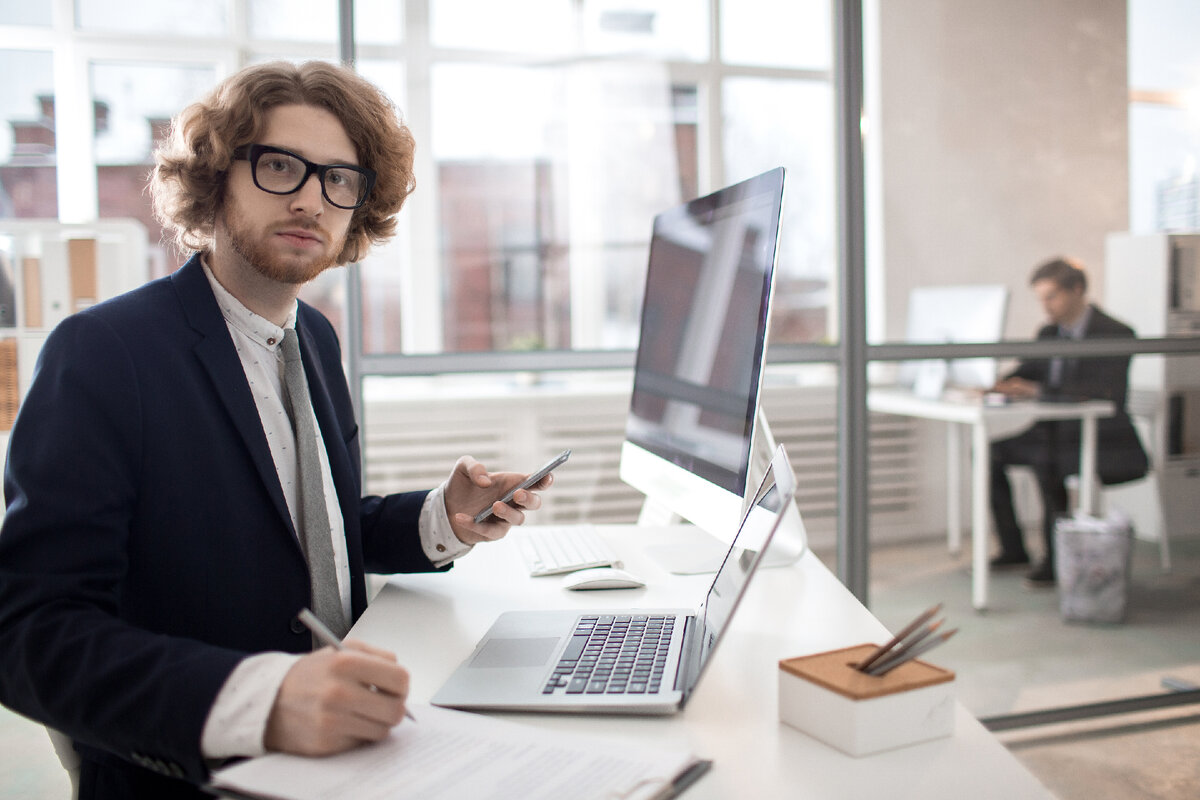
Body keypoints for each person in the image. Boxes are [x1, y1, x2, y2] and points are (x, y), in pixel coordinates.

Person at [0, 61, 551, 799]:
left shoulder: (314, 338)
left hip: (356, 748)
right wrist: (262, 700)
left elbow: (295, 531)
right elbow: (29, 630)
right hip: (207, 774)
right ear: (215, 177)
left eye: (339, 180)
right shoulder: (105, 354)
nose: (310, 200)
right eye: (281, 166)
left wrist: (439, 518)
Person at [988, 256, 1148, 587]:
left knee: (1045, 461)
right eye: (1040, 298)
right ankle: (1014, 548)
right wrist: (1000, 383)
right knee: (991, 454)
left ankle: (1055, 561)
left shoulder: (1115, 333)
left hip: (1102, 438)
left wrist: (1038, 389)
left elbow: (1103, 391)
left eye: (1051, 296)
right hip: (1051, 432)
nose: (1045, 306)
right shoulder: (1049, 333)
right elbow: (1026, 371)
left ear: (1077, 290)